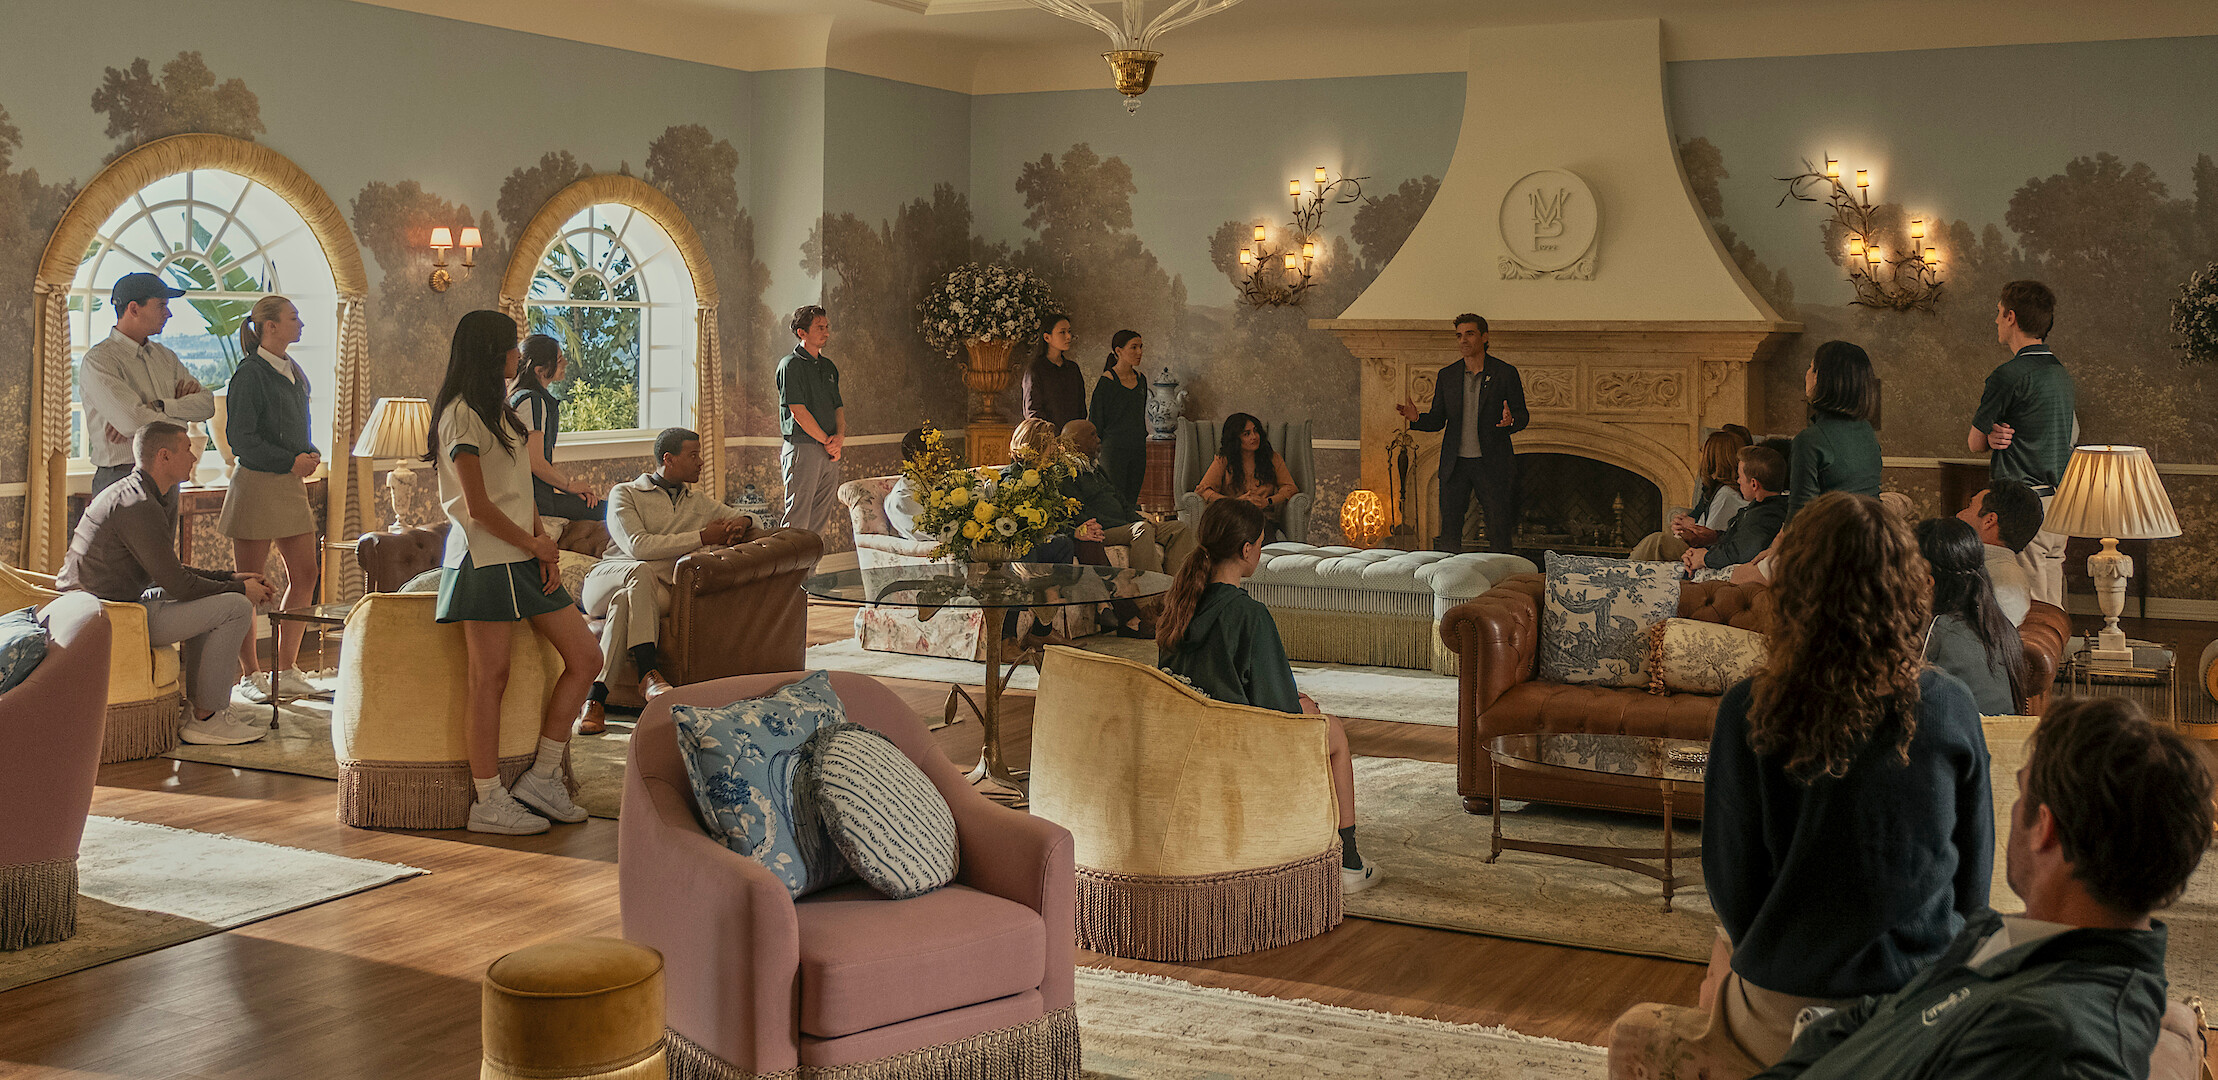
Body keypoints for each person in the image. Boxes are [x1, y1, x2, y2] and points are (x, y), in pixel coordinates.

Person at [1754, 697, 2211, 1078]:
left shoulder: (2052, 1046)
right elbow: (1879, 1017)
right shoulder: (2000, 936)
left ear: (2044, 828)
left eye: (2020, 793)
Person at [1703, 492, 1991, 1070]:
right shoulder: (1948, 706)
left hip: (1786, 999)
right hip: (1915, 1008)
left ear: (1793, 589)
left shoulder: (1746, 710)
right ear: (1909, 590)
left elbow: (1731, 881)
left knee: (1715, 967)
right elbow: (1972, 882)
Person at [428, 310, 602, 836]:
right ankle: (487, 800)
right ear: (492, 353)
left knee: (586, 657)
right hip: (483, 560)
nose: (518, 357)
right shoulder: (460, 415)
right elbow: (476, 505)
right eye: (511, 347)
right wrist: (532, 543)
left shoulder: (500, 411)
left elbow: (519, 488)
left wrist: (543, 546)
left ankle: (543, 776)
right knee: (490, 681)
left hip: (523, 556)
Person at [1157, 498, 1378, 894]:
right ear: (1247, 551)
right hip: (1238, 746)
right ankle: (1348, 860)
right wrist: (1303, 707)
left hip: (1187, 740)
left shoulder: (1179, 605)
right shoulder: (1249, 614)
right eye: (1259, 543)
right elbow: (1279, 711)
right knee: (1334, 734)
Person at [58, 421, 275, 745]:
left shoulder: (137, 493)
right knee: (236, 607)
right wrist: (240, 589)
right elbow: (180, 585)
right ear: (163, 456)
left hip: (119, 603)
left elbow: (169, 570)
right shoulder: (137, 505)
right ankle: (206, 717)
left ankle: (200, 711)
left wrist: (230, 577)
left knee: (223, 600)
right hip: (110, 615)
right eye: (187, 449)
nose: (194, 456)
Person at [579, 427, 755, 734]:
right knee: (639, 570)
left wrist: (743, 521)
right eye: (694, 455)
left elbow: (754, 519)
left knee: (626, 602)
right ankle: (649, 672)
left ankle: (596, 700)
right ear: (668, 459)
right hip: (605, 582)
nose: (701, 462)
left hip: (650, 593)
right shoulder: (626, 493)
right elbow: (637, 547)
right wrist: (701, 537)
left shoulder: (699, 503)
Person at [220, 295, 323, 706]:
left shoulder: (292, 370)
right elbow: (241, 439)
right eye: (293, 318)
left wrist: (308, 452)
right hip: (258, 486)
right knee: (249, 584)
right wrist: (290, 459)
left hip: (288, 485)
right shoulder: (249, 375)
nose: (300, 324)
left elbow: (292, 427)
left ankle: (285, 668)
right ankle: (250, 675)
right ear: (269, 326)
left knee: (306, 574)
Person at [1968, 280, 2074, 608]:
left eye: (1999, 314)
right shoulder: (2061, 375)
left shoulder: (2008, 375)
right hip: (2059, 504)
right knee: (2051, 599)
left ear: (2011, 317)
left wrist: (1988, 436)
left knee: (2028, 605)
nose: (1996, 321)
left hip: (2023, 504)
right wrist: (1996, 435)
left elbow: (1973, 443)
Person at [1397, 313, 1529, 553]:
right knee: (1449, 531)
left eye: (1469, 334)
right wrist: (1417, 418)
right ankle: (1449, 581)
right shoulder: (1447, 375)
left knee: (1499, 531)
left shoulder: (1505, 373)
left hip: (1492, 464)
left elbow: (1522, 416)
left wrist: (1511, 421)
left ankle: (1500, 582)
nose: (1463, 340)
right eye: (1459, 335)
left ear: (1484, 337)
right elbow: (1438, 420)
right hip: (1455, 465)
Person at [79, 272, 215, 497]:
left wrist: (157, 407)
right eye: (161, 305)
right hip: (120, 475)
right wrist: (179, 416)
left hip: (168, 475)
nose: (168, 313)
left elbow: (207, 406)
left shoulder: (166, 357)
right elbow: (132, 421)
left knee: (164, 535)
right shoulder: (100, 360)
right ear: (134, 309)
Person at [1915, 517, 2024, 715]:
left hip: (1958, 742)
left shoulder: (1939, 630)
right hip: (1994, 741)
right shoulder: (1998, 625)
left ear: (1927, 580)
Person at [1061, 419, 1196, 576]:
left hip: (1124, 525)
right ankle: (1151, 595)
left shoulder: (1096, 469)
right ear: (1076, 442)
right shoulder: (1067, 475)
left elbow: (1122, 502)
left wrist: (1139, 518)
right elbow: (1085, 514)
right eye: (1092, 435)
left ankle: (1177, 590)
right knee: (1141, 530)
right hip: (1105, 530)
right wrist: (1132, 524)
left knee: (1179, 529)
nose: (1098, 439)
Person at [508, 334, 605, 522]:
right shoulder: (532, 401)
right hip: (533, 503)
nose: (566, 363)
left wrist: (571, 488)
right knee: (612, 511)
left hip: (535, 497)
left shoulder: (521, 397)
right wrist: (569, 485)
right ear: (540, 370)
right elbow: (534, 462)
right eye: (559, 360)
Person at [1788, 341, 1882, 515]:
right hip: (1871, 533)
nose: (1806, 374)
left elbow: (1799, 516)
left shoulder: (1810, 440)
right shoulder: (1865, 430)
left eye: (1811, 367)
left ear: (1819, 377)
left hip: (1833, 537)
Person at [777, 304, 844, 536]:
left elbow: (838, 407)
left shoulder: (829, 367)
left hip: (828, 451)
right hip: (803, 448)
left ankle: (812, 573)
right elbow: (798, 411)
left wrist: (839, 440)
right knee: (797, 520)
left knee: (819, 522)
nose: (826, 332)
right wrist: (827, 440)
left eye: (827, 327)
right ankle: (791, 573)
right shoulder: (790, 366)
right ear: (801, 333)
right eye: (819, 327)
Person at [1681, 446, 1788, 577]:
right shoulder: (1763, 506)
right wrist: (1715, 536)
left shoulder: (1766, 515)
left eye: (1740, 476)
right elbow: (1742, 539)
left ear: (1754, 484)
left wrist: (1704, 557)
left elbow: (1740, 552)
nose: (1738, 481)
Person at [1196, 412, 1300, 542]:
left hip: (1262, 517)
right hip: (1233, 517)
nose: (1254, 437)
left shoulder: (1272, 458)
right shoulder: (1223, 459)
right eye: (1247, 434)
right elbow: (1203, 490)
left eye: (1255, 431)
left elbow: (1290, 487)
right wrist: (1235, 502)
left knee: (1261, 529)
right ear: (1235, 439)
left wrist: (1268, 501)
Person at [1955, 479, 2041, 626]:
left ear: (1989, 520)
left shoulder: (2002, 581)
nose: (1959, 515)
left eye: (1969, 507)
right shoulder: (1982, 567)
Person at [1088, 328, 1149, 506]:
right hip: (1114, 450)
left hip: (1137, 448)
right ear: (1118, 351)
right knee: (1114, 498)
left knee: (1131, 499)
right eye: (1134, 347)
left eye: (1141, 347)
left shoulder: (1141, 380)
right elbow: (1096, 419)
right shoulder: (1107, 382)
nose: (1139, 352)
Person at [1019, 311, 1086, 431]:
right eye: (1062, 332)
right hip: (1047, 441)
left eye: (1069, 331)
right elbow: (1033, 411)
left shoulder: (1072, 369)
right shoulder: (1036, 370)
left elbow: (1081, 408)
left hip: (1073, 440)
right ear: (1047, 337)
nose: (1068, 336)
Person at [885, 427, 933, 541]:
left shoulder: (944, 481)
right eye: (936, 452)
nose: (945, 458)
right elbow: (930, 533)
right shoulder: (903, 496)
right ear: (919, 457)